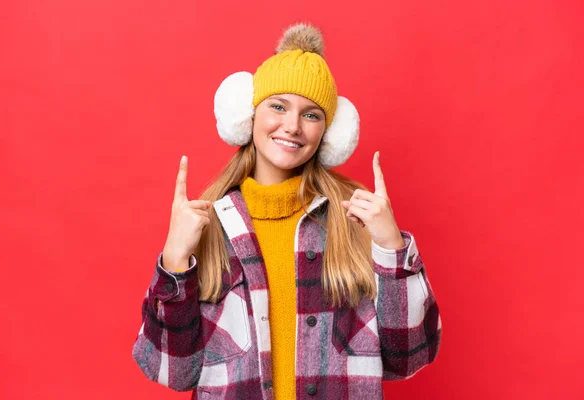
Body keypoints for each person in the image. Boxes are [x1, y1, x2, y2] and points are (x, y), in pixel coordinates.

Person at [132, 22, 441, 399]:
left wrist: (393, 249)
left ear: (329, 133)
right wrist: (175, 259)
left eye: (311, 115)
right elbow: (173, 372)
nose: (292, 126)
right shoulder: (209, 225)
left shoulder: (354, 220)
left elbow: (408, 357)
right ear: (248, 115)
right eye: (278, 106)